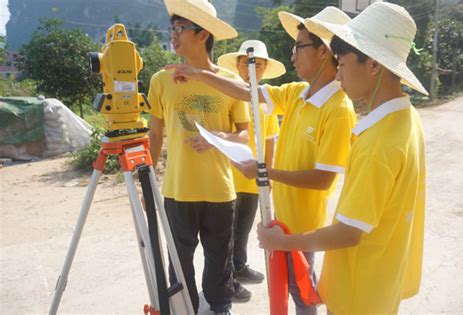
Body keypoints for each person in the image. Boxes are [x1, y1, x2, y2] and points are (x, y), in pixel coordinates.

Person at [165, 7, 356, 314]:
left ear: (324, 52)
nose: (293, 55)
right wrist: (202, 74)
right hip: (283, 217)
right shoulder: (297, 93)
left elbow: (324, 179)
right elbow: (247, 92)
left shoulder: (338, 109)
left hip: (305, 226)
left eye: (300, 46)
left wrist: (266, 172)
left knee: (303, 293)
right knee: (286, 288)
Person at [258, 2, 428, 314]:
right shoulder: (407, 119)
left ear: (374, 65)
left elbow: (348, 233)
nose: (339, 72)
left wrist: (281, 243)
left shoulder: (378, 144)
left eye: (343, 62)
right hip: (381, 284)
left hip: (356, 294)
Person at [147, 1, 250, 314]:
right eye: (172, 29)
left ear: (203, 33)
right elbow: (154, 135)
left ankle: (220, 306)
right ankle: (185, 309)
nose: (173, 36)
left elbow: (245, 135)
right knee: (179, 262)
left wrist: (218, 138)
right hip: (178, 190)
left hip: (220, 190)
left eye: (179, 29)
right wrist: (147, 183)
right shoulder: (161, 80)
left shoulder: (229, 81)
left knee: (220, 259)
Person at [217, 40, 285, 302]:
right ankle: (227, 280)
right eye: (248, 63)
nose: (252, 68)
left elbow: (269, 140)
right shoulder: (229, 94)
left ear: (266, 68)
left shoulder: (267, 99)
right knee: (226, 232)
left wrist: (268, 175)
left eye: (259, 64)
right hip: (230, 175)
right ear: (238, 65)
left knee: (243, 228)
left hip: (254, 177)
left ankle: (240, 266)